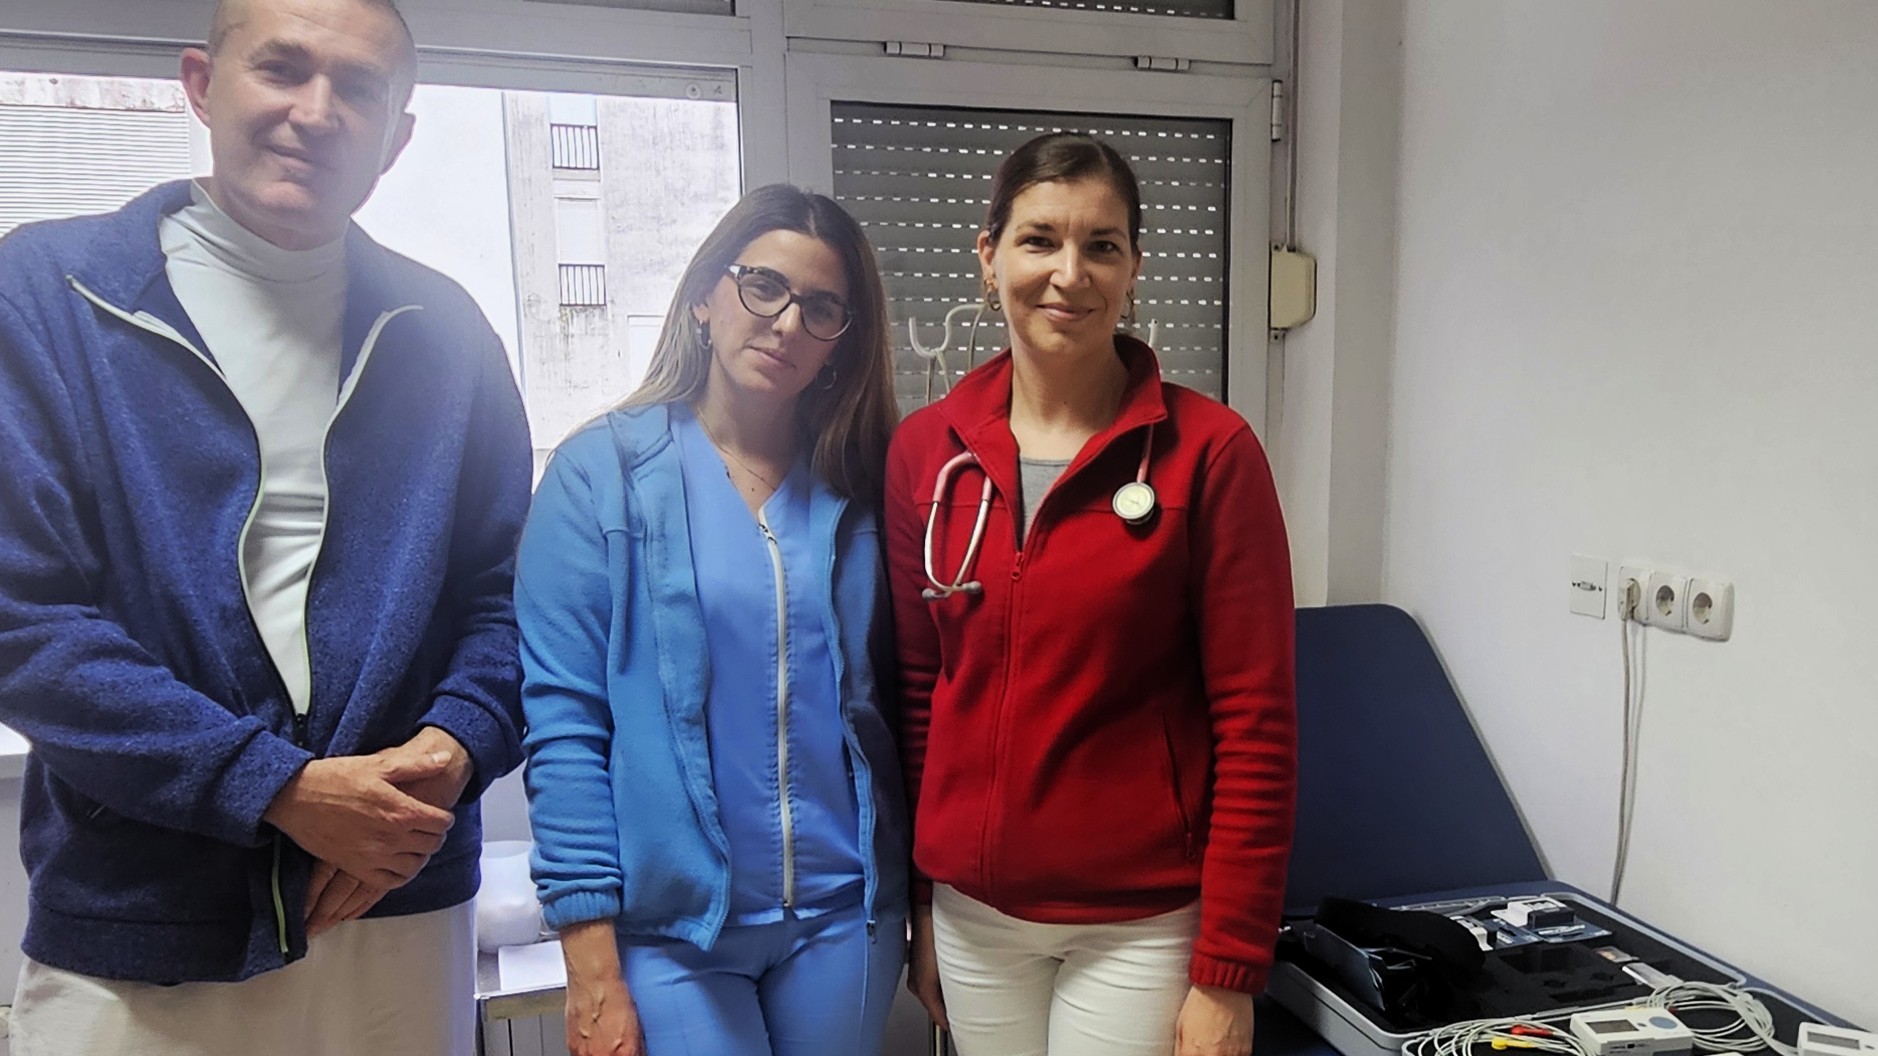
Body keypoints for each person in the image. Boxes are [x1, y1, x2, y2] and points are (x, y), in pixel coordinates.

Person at [0, 0, 533, 1051]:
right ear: (203, 85)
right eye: (282, 68)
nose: (317, 112)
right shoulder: (49, 295)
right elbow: (23, 618)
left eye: (358, 89)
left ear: (398, 137)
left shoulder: (448, 333)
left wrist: (455, 745)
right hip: (145, 913)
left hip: (394, 895)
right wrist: (275, 786)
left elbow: (511, 593)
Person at [883, 132, 1299, 1056]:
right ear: (989, 256)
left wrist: (1229, 969)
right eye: (1039, 239)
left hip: (1141, 924)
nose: (1068, 274)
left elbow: (1257, 723)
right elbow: (919, 696)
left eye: (1101, 245)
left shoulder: (1211, 453)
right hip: (974, 914)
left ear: (1133, 269)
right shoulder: (925, 454)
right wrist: (922, 904)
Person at [516, 183, 908, 1056]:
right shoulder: (601, 475)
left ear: (843, 339)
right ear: (704, 296)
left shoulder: (868, 484)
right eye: (762, 286)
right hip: (672, 932)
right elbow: (564, 723)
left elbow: (908, 704)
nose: (786, 323)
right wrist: (588, 956)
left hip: (845, 919)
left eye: (821, 308)